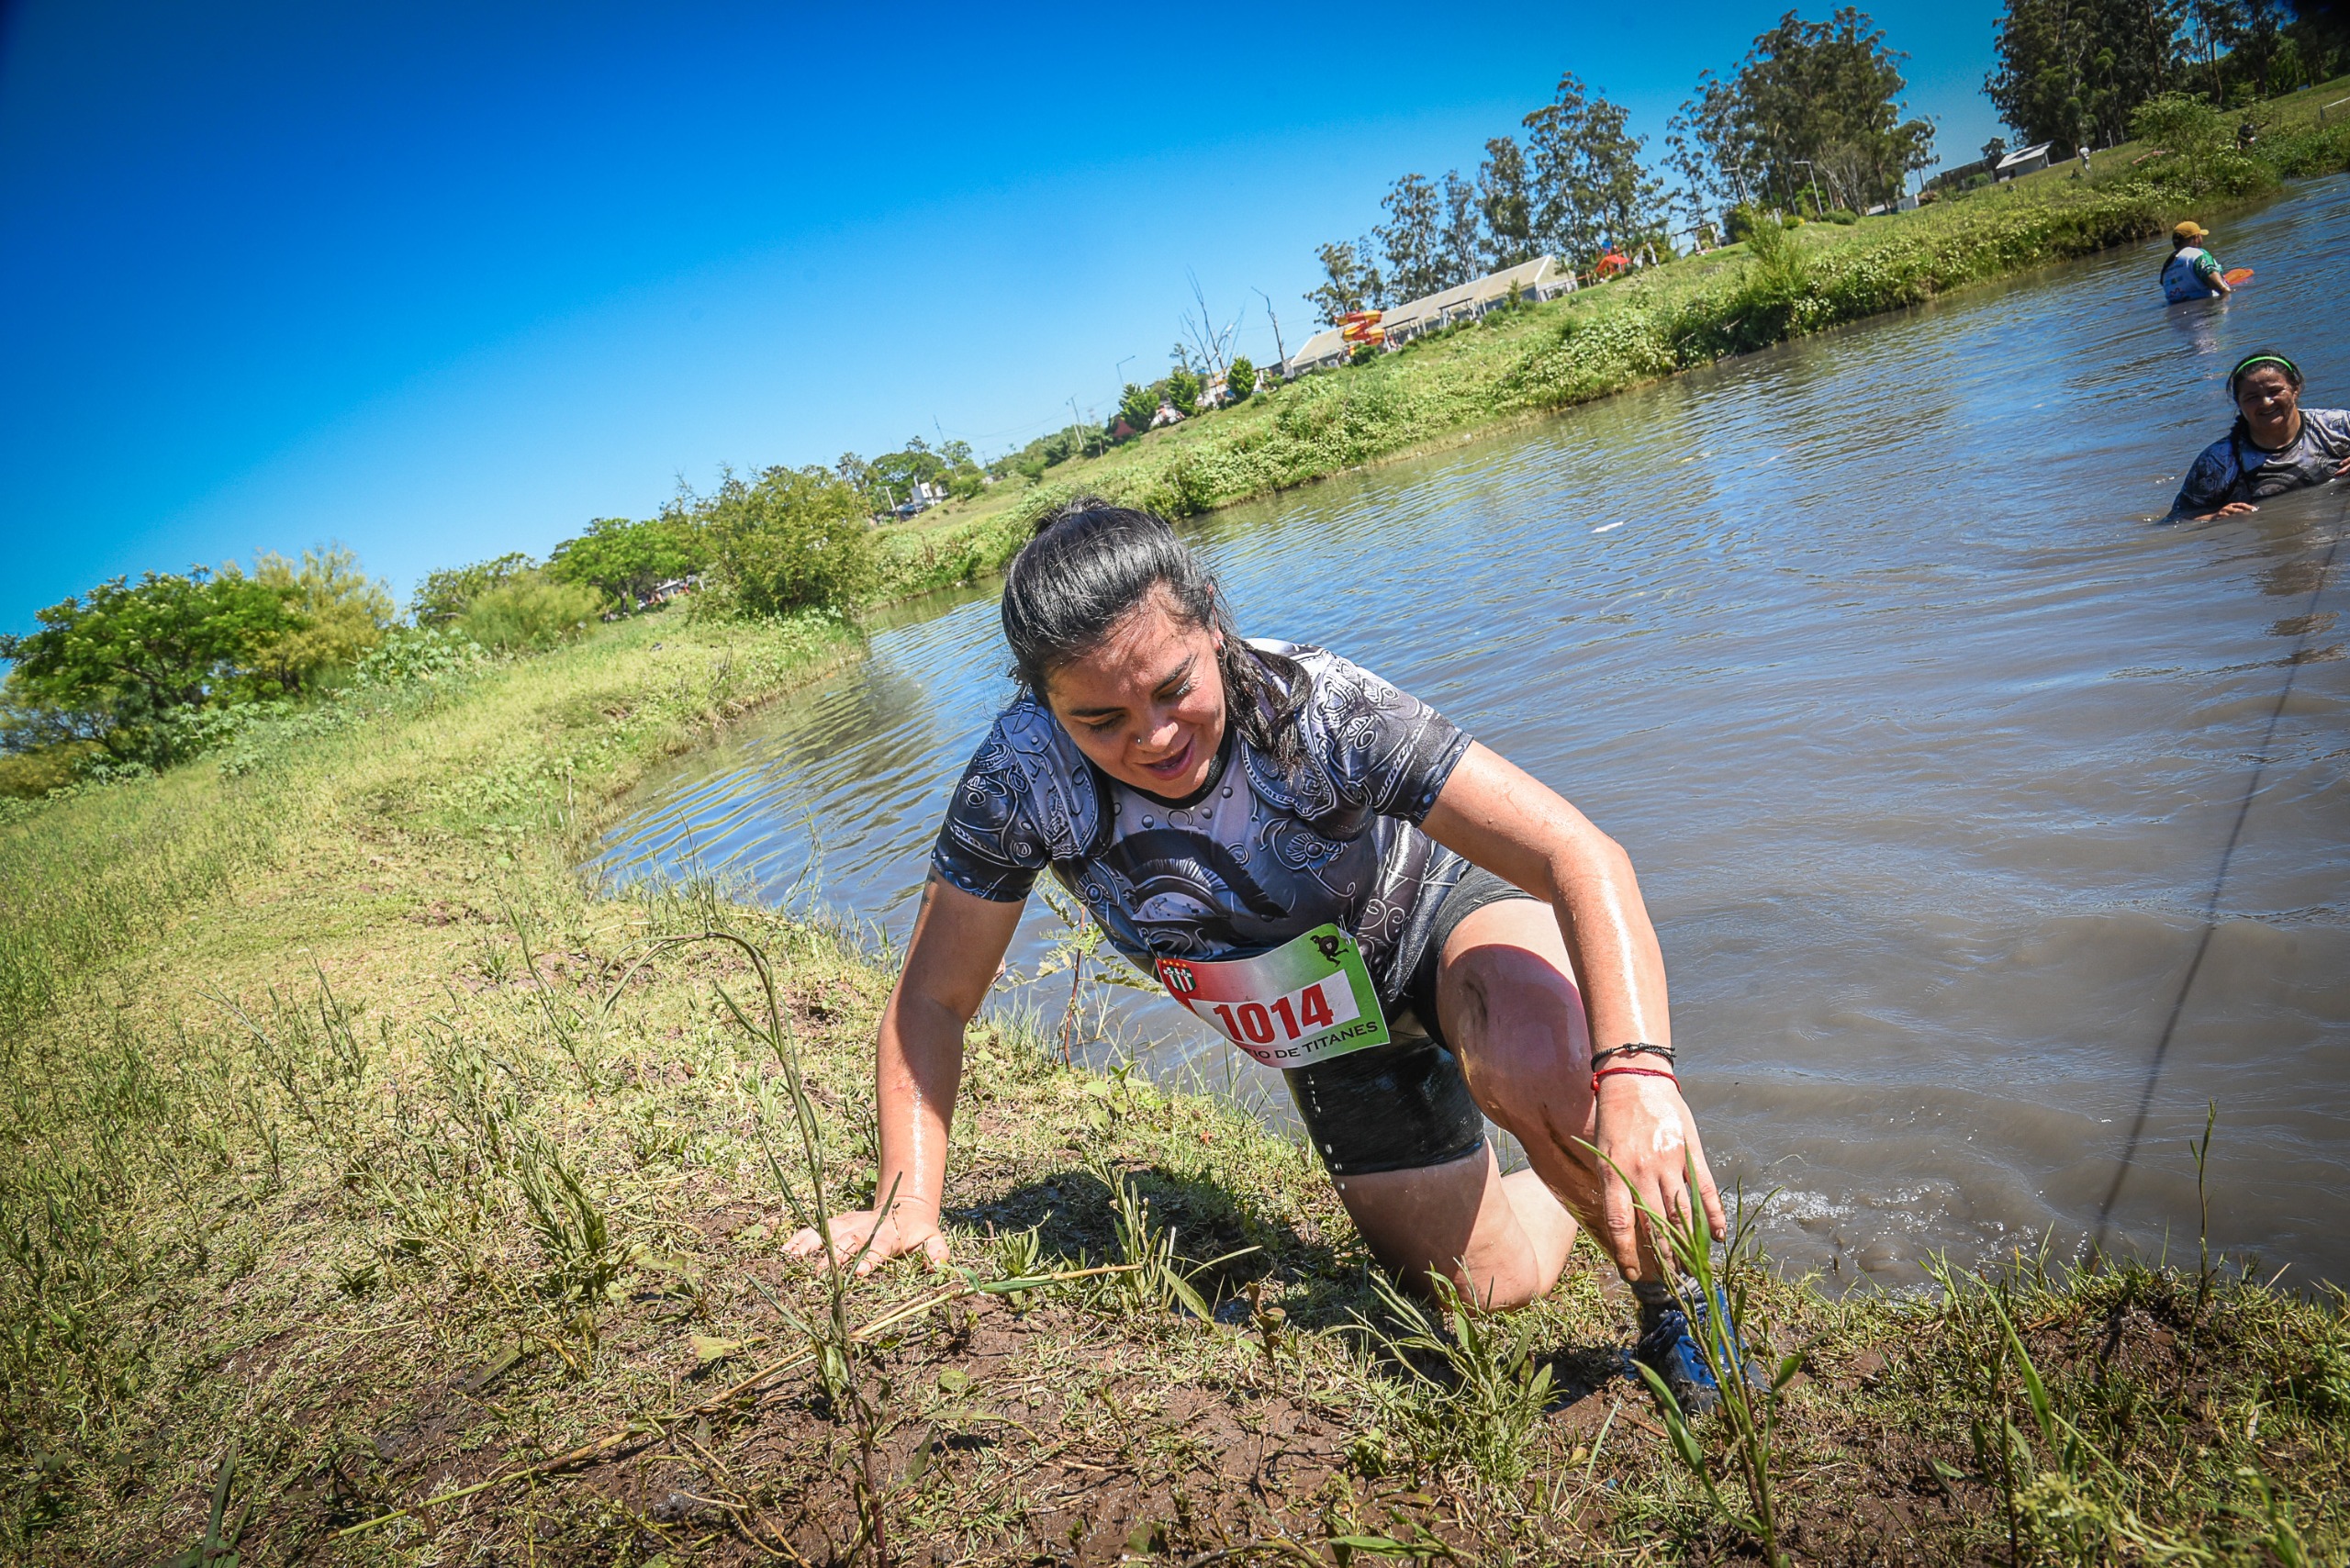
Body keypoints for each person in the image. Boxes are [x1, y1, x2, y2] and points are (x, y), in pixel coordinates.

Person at [786, 500, 1743, 1411]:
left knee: (1543, 1057)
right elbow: (933, 1001)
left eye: (1172, 690)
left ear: (1211, 625)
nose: (1153, 738)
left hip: (1438, 921)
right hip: (1319, 1022)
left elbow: (1579, 856)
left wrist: (1635, 1075)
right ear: (1041, 704)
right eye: (1099, 721)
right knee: (1488, 1285)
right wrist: (908, 1201)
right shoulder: (1016, 780)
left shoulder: (1317, 706)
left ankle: (1678, 1310)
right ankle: (1552, 1170)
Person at [2174, 353, 2350, 520]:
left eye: (2274, 391)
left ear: (2296, 389)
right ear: (2238, 403)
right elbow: (2176, 521)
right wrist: (2214, 518)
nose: (2266, 403)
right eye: (2252, 397)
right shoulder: (2219, 461)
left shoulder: (2338, 426)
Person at [2161, 220, 2233, 302]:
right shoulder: (2197, 255)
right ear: (2196, 237)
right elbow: (2221, 287)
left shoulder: (2166, 267)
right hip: (2206, 310)